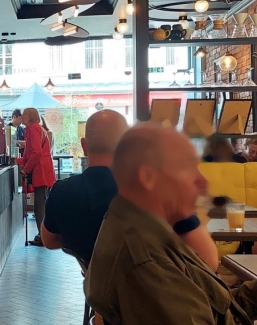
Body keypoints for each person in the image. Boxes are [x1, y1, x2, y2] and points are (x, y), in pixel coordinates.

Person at [85, 123, 257, 325]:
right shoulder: (148, 263)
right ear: (148, 176)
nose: (203, 182)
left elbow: (207, 309)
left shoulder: (147, 230)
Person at [41, 111, 218, 270]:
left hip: (101, 295)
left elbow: (49, 241)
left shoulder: (61, 192)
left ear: (84, 146)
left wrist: (84, 236)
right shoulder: (151, 189)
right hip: (155, 297)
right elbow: (208, 260)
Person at [17, 107, 55, 246]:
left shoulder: (33, 129)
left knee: (40, 205)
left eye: (24, 115)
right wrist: (19, 161)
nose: (22, 117)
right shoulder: (37, 128)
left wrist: (26, 169)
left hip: (40, 170)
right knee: (42, 203)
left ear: (31, 116)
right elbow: (31, 152)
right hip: (44, 169)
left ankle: (43, 236)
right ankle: (43, 235)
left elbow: (36, 153)